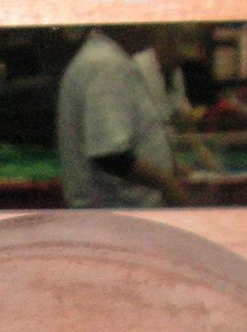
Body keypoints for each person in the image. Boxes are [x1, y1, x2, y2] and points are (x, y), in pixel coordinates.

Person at [56, 26, 185, 209]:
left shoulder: (109, 59)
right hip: (116, 214)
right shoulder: (107, 64)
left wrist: (172, 168)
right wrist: (167, 183)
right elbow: (110, 156)